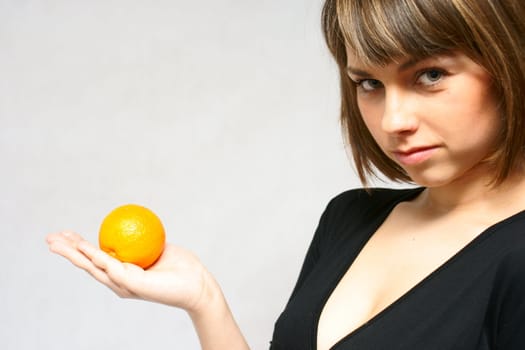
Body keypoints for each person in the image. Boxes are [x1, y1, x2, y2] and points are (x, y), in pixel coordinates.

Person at [46, 0, 525, 349]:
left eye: (430, 75)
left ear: (507, 58)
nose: (393, 119)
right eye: (369, 84)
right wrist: (205, 301)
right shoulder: (350, 219)